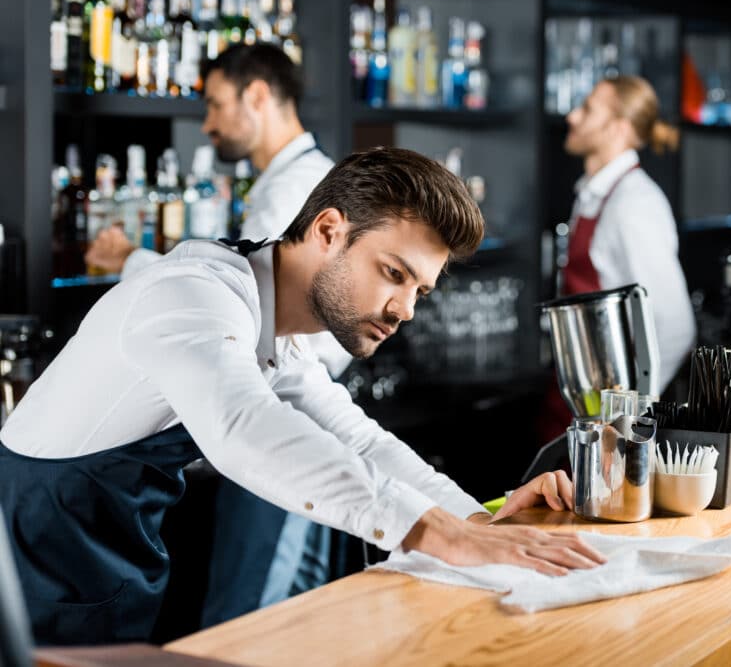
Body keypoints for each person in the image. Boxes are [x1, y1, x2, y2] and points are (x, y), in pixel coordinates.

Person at [0, 147, 604, 646]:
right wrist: (441, 536)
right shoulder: (195, 296)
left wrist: (478, 520)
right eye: (394, 273)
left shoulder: (272, 330)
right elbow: (243, 428)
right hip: (44, 559)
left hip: (103, 555)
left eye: (420, 289)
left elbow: (358, 437)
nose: (406, 310)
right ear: (327, 230)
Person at [87, 43, 352, 625]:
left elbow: (225, 306)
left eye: (214, 103)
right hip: (281, 409)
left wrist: (131, 258)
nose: (206, 122)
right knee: (275, 606)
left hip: (285, 414)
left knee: (253, 613)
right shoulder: (293, 182)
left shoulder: (294, 194)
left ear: (257, 95)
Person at [539, 76, 696, 443]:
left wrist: (626, 419)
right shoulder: (595, 191)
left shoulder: (633, 204)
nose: (573, 116)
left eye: (589, 109)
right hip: (574, 400)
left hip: (602, 421)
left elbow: (676, 326)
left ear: (620, 128)